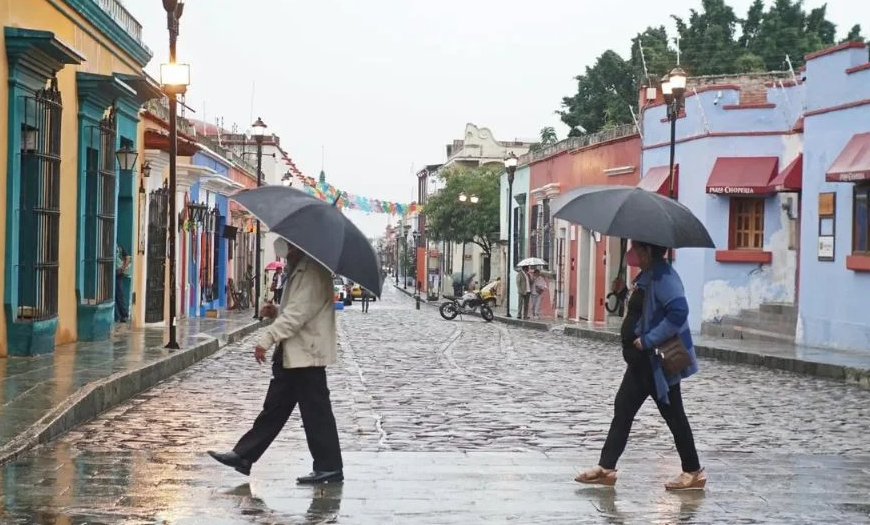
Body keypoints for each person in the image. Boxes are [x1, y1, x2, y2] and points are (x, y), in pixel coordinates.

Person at [208, 237, 344, 485]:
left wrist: (267, 337)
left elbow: (299, 314)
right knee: (275, 409)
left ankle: (330, 467)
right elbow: (295, 310)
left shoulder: (312, 272)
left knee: (316, 412)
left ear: (299, 247)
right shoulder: (300, 270)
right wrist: (276, 311)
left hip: (307, 354)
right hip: (294, 352)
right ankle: (244, 456)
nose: (285, 254)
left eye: (289, 248)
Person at [575, 240, 704, 491]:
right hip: (641, 363)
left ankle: (693, 471)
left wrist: (647, 340)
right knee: (623, 408)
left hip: (655, 361)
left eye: (636, 247)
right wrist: (624, 291)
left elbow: (678, 312)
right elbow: (641, 309)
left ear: (647, 251)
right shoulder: (648, 274)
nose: (632, 251)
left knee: (674, 414)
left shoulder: (666, 277)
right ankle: (606, 467)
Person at [115, 246, 131, 323]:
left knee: (119, 295)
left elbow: (127, 257)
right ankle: (118, 316)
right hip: (113, 272)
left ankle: (124, 315)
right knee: (117, 295)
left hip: (118, 273)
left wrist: (123, 268)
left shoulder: (119, 248)